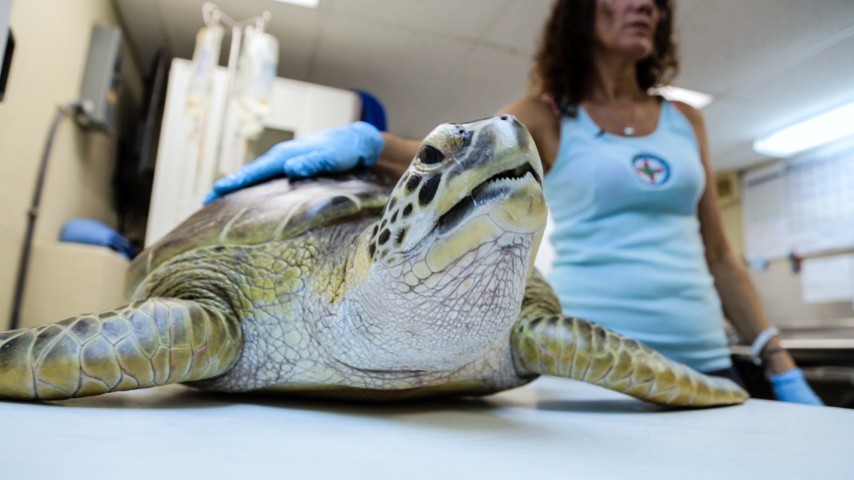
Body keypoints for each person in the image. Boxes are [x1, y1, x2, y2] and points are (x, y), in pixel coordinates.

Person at [206, 0, 821, 405]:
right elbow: (457, 156)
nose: (646, 7)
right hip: (579, 360)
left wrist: (779, 361)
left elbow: (721, 255)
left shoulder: (686, 120)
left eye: (656, 0)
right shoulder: (544, 117)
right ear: (581, 14)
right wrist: (366, 142)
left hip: (706, 356)